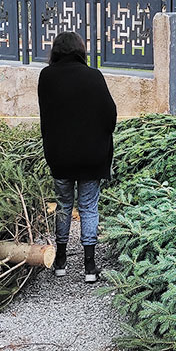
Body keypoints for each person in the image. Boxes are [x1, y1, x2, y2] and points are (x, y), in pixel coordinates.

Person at [37, 32, 117, 284]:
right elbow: (110, 116)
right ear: (81, 50)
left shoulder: (46, 77)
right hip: (92, 156)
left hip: (59, 155)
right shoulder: (94, 76)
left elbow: (46, 117)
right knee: (88, 207)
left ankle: (60, 261)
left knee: (63, 205)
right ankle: (89, 267)